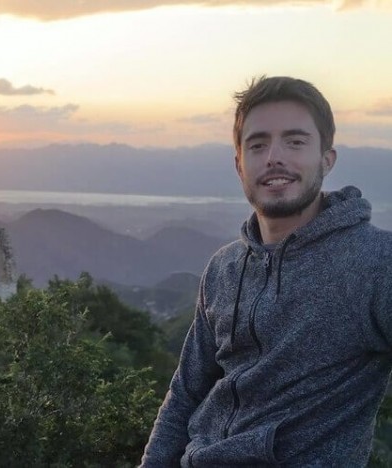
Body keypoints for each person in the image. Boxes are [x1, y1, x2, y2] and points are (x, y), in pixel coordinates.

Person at [140, 76, 392, 466]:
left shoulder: (375, 262)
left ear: (327, 158)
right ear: (239, 163)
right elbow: (186, 393)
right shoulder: (223, 268)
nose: (274, 157)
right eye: (258, 144)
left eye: (295, 141)